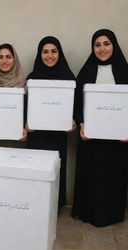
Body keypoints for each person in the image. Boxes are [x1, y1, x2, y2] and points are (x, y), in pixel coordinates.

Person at [72, 29, 128, 227]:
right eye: (97, 45)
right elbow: (77, 104)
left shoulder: (125, 71)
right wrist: (81, 124)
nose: (102, 48)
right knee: (92, 176)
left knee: (112, 177)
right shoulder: (86, 71)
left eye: (106, 43)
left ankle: (111, 214)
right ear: (92, 48)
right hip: (91, 140)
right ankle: (88, 212)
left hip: (117, 142)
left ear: (114, 45)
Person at [26, 36, 76, 208]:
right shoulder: (32, 78)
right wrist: (25, 123)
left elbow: (76, 107)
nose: (49, 56)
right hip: (36, 137)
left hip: (58, 137)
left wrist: (74, 121)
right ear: (39, 55)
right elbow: (25, 107)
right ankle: (34, 205)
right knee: (36, 170)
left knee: (55, 169)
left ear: (59, 54)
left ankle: (56, 205)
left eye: (53, 51)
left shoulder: (69, 78)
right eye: (45, 52)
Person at [0, 43, 27, 150]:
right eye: (0, 57)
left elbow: (29, 111)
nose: (4, 61)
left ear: (15, 59)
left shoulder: (24, 82)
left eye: (8, 57)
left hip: (19, 137)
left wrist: (26, 128)